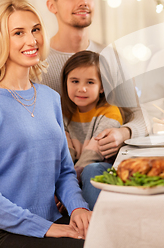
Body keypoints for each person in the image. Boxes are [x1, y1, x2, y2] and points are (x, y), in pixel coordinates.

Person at [0, 0, 91, 247]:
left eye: (35, 29)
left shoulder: (50, 98)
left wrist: (78, 207)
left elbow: (64, 173)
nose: (31, 40)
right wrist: (45, 228)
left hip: (51, 222)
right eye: (18, 33)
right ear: (0, 39)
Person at [43, 0, 148, 203]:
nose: (83, 1)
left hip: (99, 169)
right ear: (52, 6)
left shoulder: (110, 58)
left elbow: (140, 116)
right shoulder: (38, 62)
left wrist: (124, 132)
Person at [61, 51, 128, 210]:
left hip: (101, 168)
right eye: (75, 81)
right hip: (73, 174)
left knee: (92, 170)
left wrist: (70, 187)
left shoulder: (110, 112)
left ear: (102, 87)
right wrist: (61, 184)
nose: (81, 88)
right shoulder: (62, 112)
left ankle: (93, 219)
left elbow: (94, 153)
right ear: (66, 83)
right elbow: (65, 152)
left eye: (90, 82)